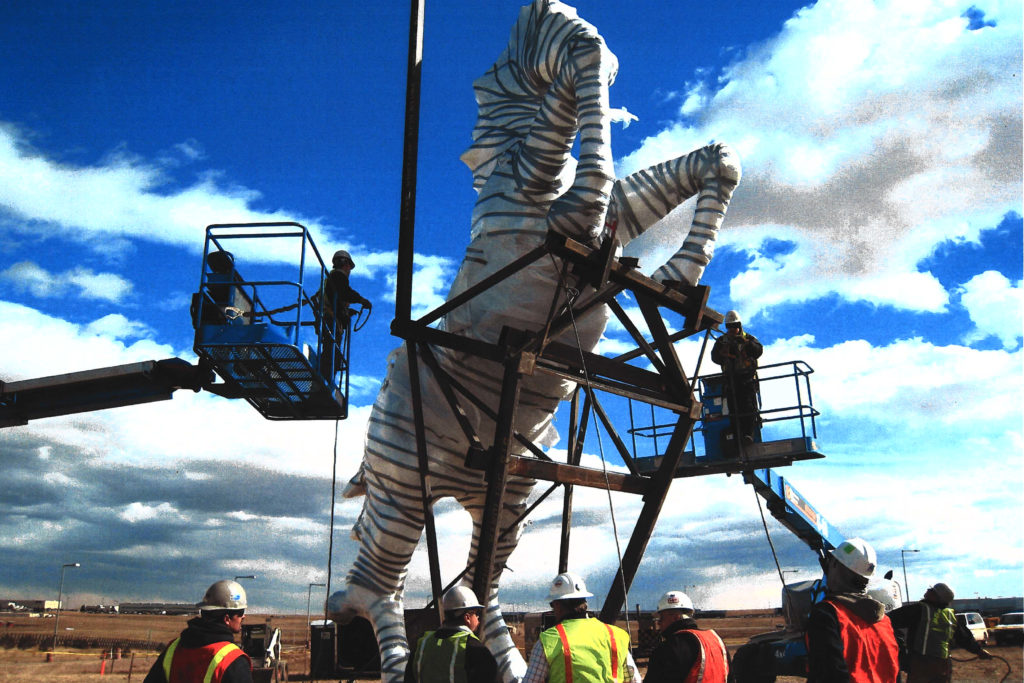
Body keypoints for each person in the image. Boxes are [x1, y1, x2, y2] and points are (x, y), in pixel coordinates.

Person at [804, 537, 900, 683]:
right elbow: (894, 672)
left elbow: (827, 674)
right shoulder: (884, 622)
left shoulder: (828, 614)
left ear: (835, 564)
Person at [522, 572, 642, 683]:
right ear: (584, 602)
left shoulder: (548, 641)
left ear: (557, 605)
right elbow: (634, 680)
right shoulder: (615, 636)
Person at [144, 579, 253, 683]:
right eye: (240, 612)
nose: (243, 616)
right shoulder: (232, 659)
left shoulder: (173, 649)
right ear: (227, 619)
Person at [887, 583, 991, 683]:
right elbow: (964, 637)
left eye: (932, 590)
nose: (928, 590)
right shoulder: (951, 615)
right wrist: (979, 651)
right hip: (943, 664)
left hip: (921, 663)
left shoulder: (919, 610)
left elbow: (889, 620)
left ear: (936, 596)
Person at [405, 585, 499, 683]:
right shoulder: (475, 648)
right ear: (467, 617)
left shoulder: (422, 644)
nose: (478, 618)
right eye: (476, 613)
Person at [644, 590, 727, 683]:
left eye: (661, 618)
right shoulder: (716, 641)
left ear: (676, 617)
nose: (658, 623)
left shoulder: (667, 648)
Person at [710, 310, 763, 447]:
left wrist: (746, 344)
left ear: (739, 325)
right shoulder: (722, 341)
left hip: (747, 379)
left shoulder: (749, 339)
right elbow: (715, 357)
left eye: (734, 326)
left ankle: (748, 435)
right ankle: (737, 436)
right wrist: (723, 351)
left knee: (748, 408)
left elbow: (758, 351)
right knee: (733, 409)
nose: (732, 330)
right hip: (731, 380)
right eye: (729, 327)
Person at [318, 249, 372, 377]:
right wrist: (361, 300)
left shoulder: (332, 279)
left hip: (329, 317)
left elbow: (336, 298)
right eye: (349, 266)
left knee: (331, 352)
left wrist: (346, 311)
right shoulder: (338, 276)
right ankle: (324, 381)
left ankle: (325, 380)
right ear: (345, 264)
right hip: (330, 318)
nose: (349, 270)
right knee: (332, 354)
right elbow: (345, 292)